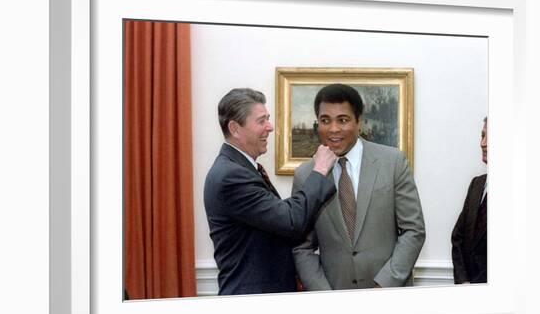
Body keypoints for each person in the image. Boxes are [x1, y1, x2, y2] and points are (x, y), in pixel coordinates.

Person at [204, 88, 337, 295]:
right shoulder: (231, 176)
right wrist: (319, 170)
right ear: (235, 128)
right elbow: (291, 221)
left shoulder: (241, 168)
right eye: (261, 121)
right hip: (253, 300)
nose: (270, 127)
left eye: (268, 119)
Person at [292, 84, 425, 290]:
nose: (334, 129)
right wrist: (323, 293)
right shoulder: (306, 175)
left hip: (390, 294)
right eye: (325, 120)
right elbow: (302, 247)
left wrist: (385, 283)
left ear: (358, 122)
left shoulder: (392, 162)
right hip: (333, 298)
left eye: (343, 120)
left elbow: (413, 230)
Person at [451, 117, 488, 284]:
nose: (483, 143)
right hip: (467, 290)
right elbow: (458, 237)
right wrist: (463, 282)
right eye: (482, 136)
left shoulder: (521, 190)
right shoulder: (476, 184)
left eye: (490, 137)